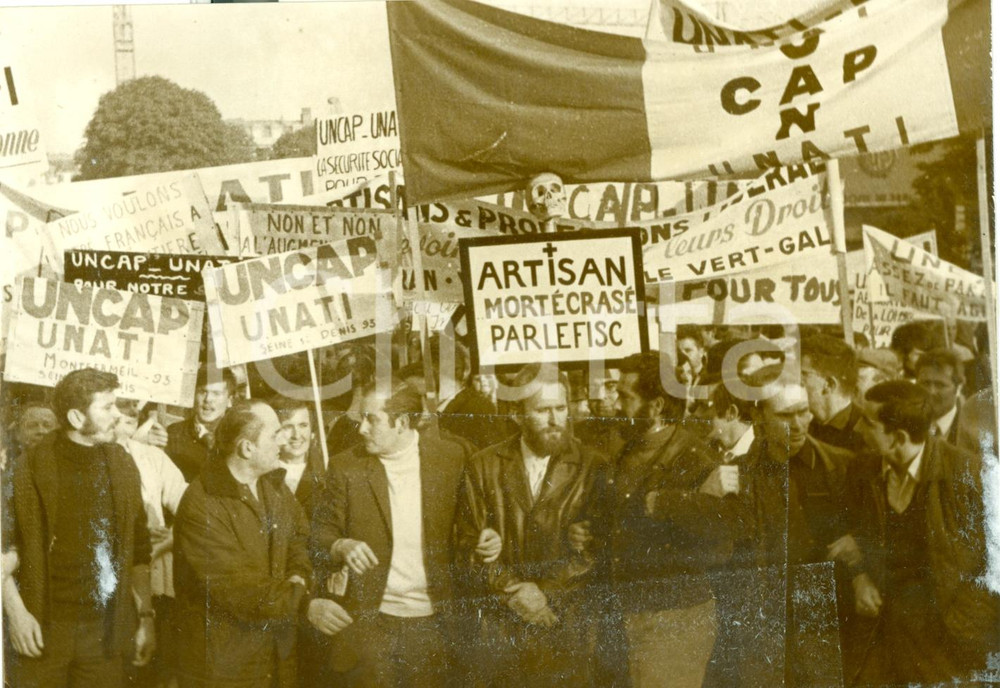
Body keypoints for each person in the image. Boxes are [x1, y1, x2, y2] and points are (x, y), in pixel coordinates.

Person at [310, 380, 501, 687]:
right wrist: (340, 545)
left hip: (436, 623)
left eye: (372, 419)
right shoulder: (347, 466)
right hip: (372, 624)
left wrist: (487, 536)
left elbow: (474, 524)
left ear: (401, 423)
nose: (361, 429)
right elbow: (319, 533)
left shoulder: (452, 458)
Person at [173, 400, 350, 688]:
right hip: (224, 663)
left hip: (274, 653)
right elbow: (236, 585)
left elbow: (298, 537)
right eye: (274, 434)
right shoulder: (202, 504)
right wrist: (303, 602)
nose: (284, 440)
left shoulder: (272, 485)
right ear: (246, 448)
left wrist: (299, 574)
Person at [2, 368, 155, 688]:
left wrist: (145, 618)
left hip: (105, 633)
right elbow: (3, 549)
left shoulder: (123, 465)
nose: (118, 415)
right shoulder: (28, 467)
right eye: (107, 407)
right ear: (75, 417)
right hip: (41, 628)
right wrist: (16, 614)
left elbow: (140, 549)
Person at [457, 364, 607, 687]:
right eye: (542, 410)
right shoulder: (484, 465)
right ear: (517, 414)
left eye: (560, 408)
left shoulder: (592, 465)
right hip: (502, 631)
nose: (555, 420)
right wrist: (514, 591)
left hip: (565, 628)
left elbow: (598, 549)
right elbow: (465, 544)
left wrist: (545, 594)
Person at [851, 381, 998, 684]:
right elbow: (849, 534)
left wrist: (967, 622)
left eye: (867, 422)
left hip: (951, 643)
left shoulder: (970, 475)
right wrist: (859, 575)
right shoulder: (862, 471)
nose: (856, 428)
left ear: (898, 438)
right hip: (886, 635)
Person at [603, 351, 733, 687]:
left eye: (626, 396)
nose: (617, 404)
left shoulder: (694, 456)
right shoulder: (627, 449)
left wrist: (666, 505)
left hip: (675, 618)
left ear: (657, 406)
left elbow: (720, 543)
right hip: (632, 614)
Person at [115, 399, 189, 688]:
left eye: (133, 406)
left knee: (154, 665)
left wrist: (173, 535)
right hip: (111, 578)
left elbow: (189, 504)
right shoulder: (84, 456)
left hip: (154, 571)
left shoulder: (150, 456)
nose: (129, 411)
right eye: (118, 405)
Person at [166, 365, 237, 481]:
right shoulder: (173, 433)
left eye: (216, 393)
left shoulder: (237, 436)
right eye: (203, 392)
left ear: (230, 400)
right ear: (194, 395)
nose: (208, 399)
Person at [799, 334, 865, 453]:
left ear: (829, 384)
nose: (793, 382)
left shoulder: (863, 433)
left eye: (803, 374)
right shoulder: (802, 426)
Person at [271, 397, 326, 516]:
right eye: (287, 427)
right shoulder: (264, 474)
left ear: (312, 429)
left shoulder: (326, 471)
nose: (296, 435)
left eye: (303, 425)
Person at [914, 348, 965, 444]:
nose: (931, 392)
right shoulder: (907, 424)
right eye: (925, 383)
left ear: (958, 388)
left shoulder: (971, 429)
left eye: (940, 385)